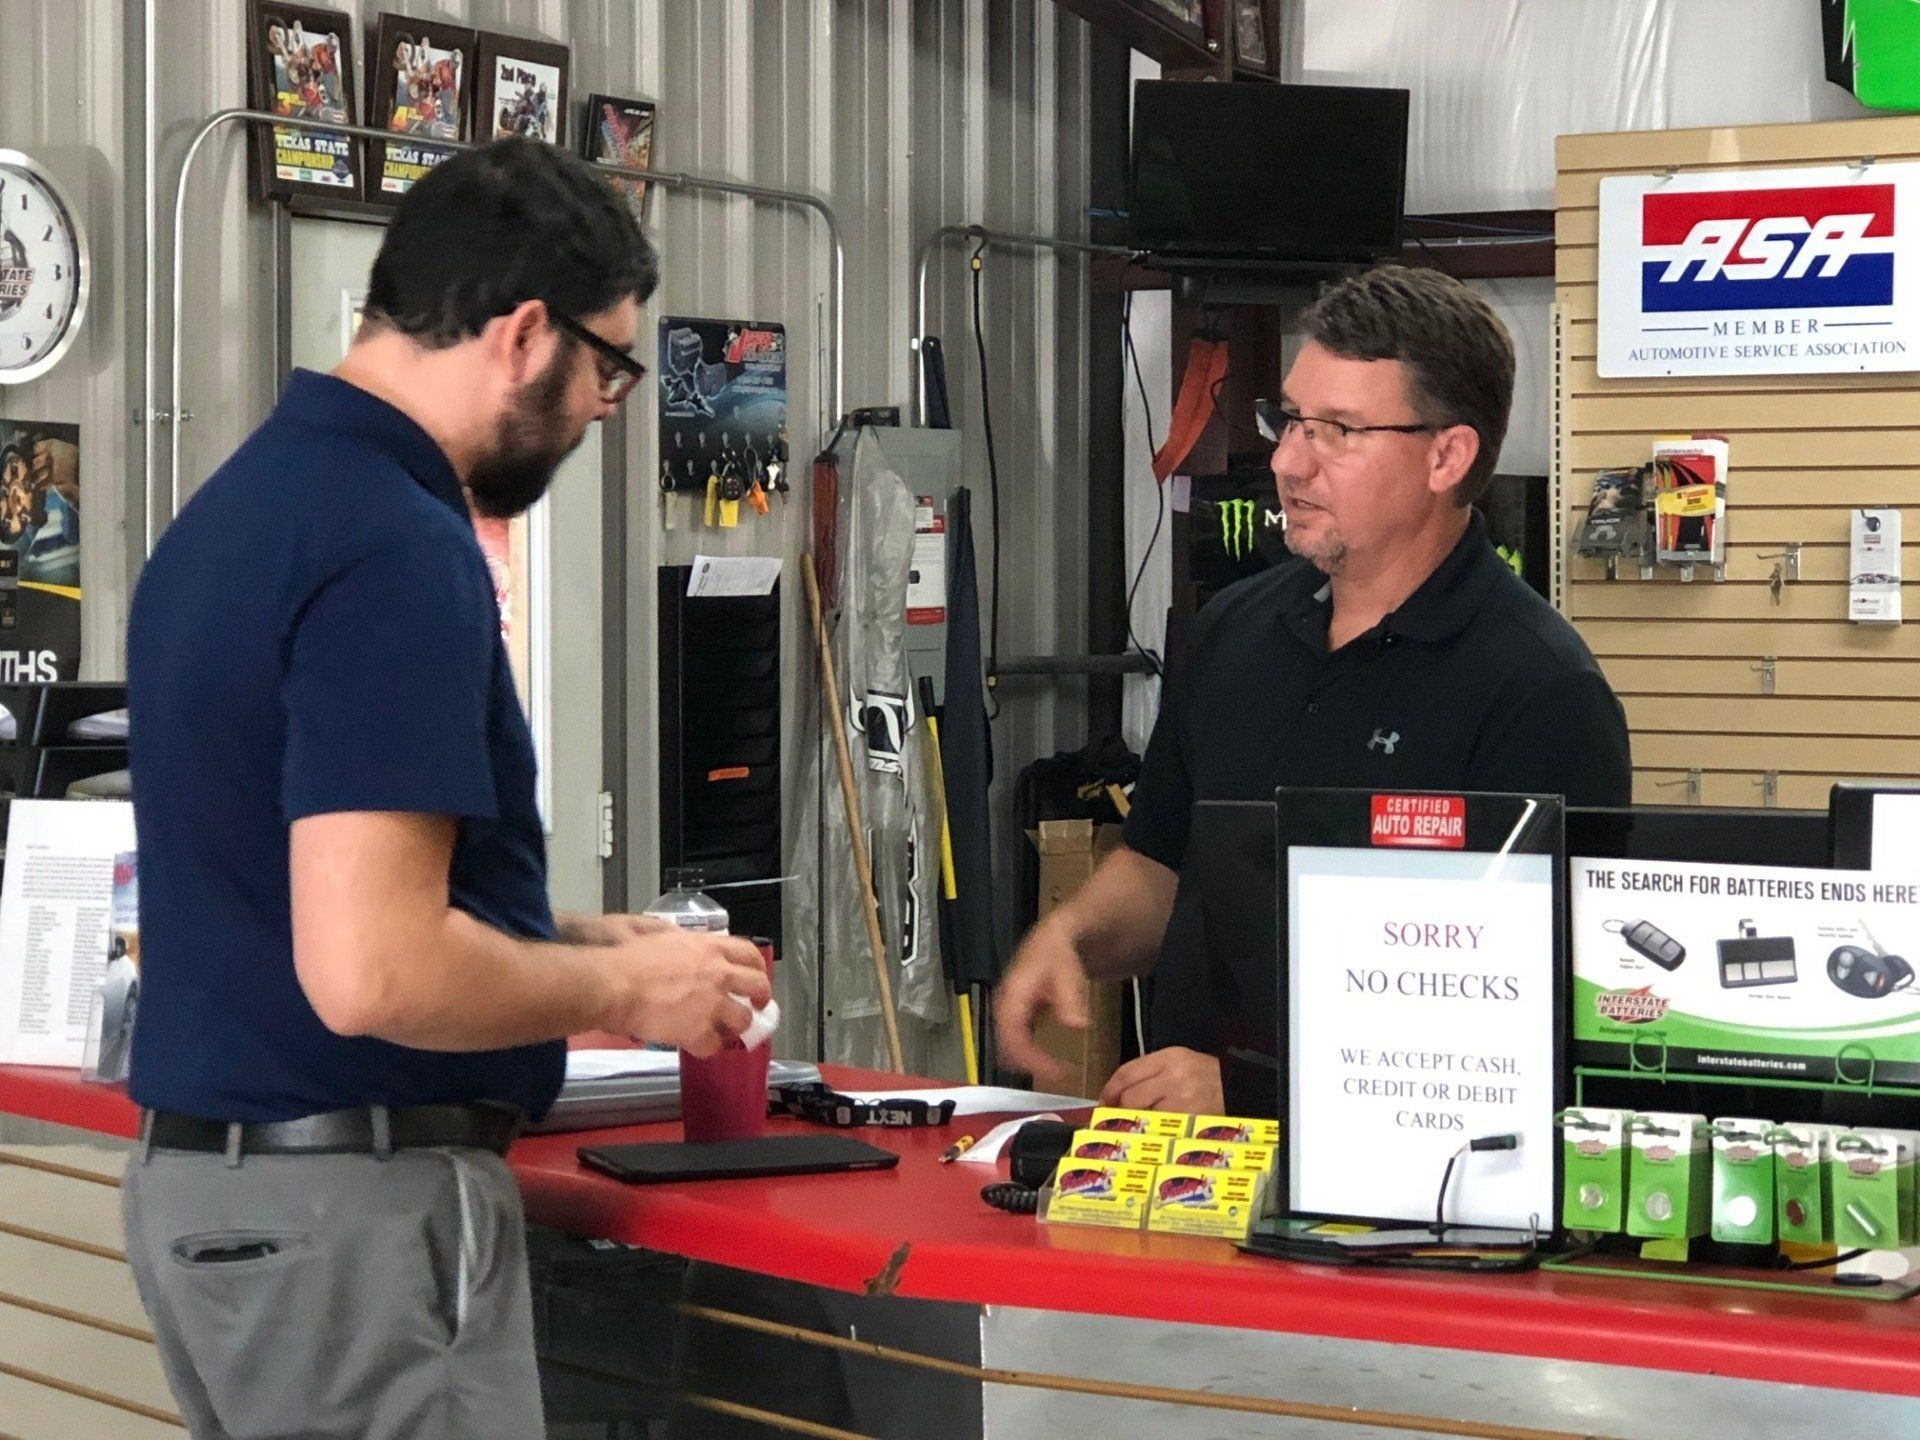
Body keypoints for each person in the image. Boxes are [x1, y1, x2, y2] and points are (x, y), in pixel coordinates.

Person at [122, 138, 770, 1440]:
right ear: (524, 334)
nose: (607, 407)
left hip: (222, 1200)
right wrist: (622, 992)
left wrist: (580, 938)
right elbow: (373, 969)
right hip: (349, 1217)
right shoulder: (394, 545)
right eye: (609, 366)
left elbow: (297, 887)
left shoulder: (239, 514)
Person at [996, 264, 1632, 1116]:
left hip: (1408, 1183)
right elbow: (1166, 866)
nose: (1288, 461)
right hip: (1192, 1169)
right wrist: (1069, 936)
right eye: (1291, 419)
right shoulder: (1233, 629)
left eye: (1338, 431)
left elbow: (1534, 1020)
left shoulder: (1542, 693)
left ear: (1447, 455)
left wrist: (1258, 1089)